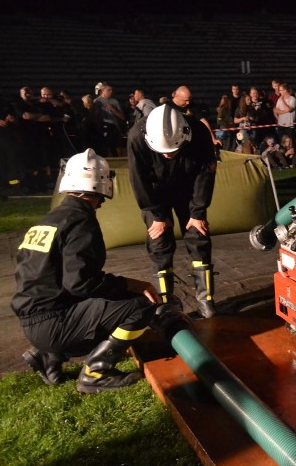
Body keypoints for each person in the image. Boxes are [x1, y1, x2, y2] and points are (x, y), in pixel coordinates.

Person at [12, 149, 161, 393]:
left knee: (104, 299)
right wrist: (132, 285)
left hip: (32, 320)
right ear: (102, 184)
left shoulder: (50, 219)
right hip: (53, 324)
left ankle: (49, 357)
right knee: (139, 306)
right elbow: (80, 284)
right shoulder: (81, 221)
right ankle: (96, 373)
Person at [127, 104, 218, 318]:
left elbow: (205, 174)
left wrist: (198, 212)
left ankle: (206, 300)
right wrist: (156, 216)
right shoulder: (136, 137)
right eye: (163, 152)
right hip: (156, 195)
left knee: (199, 235)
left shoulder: (199, 133)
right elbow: (138, 180)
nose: (168, 155)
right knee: (159, 241)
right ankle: (166, 304)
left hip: (188, 190)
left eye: (173, 150)